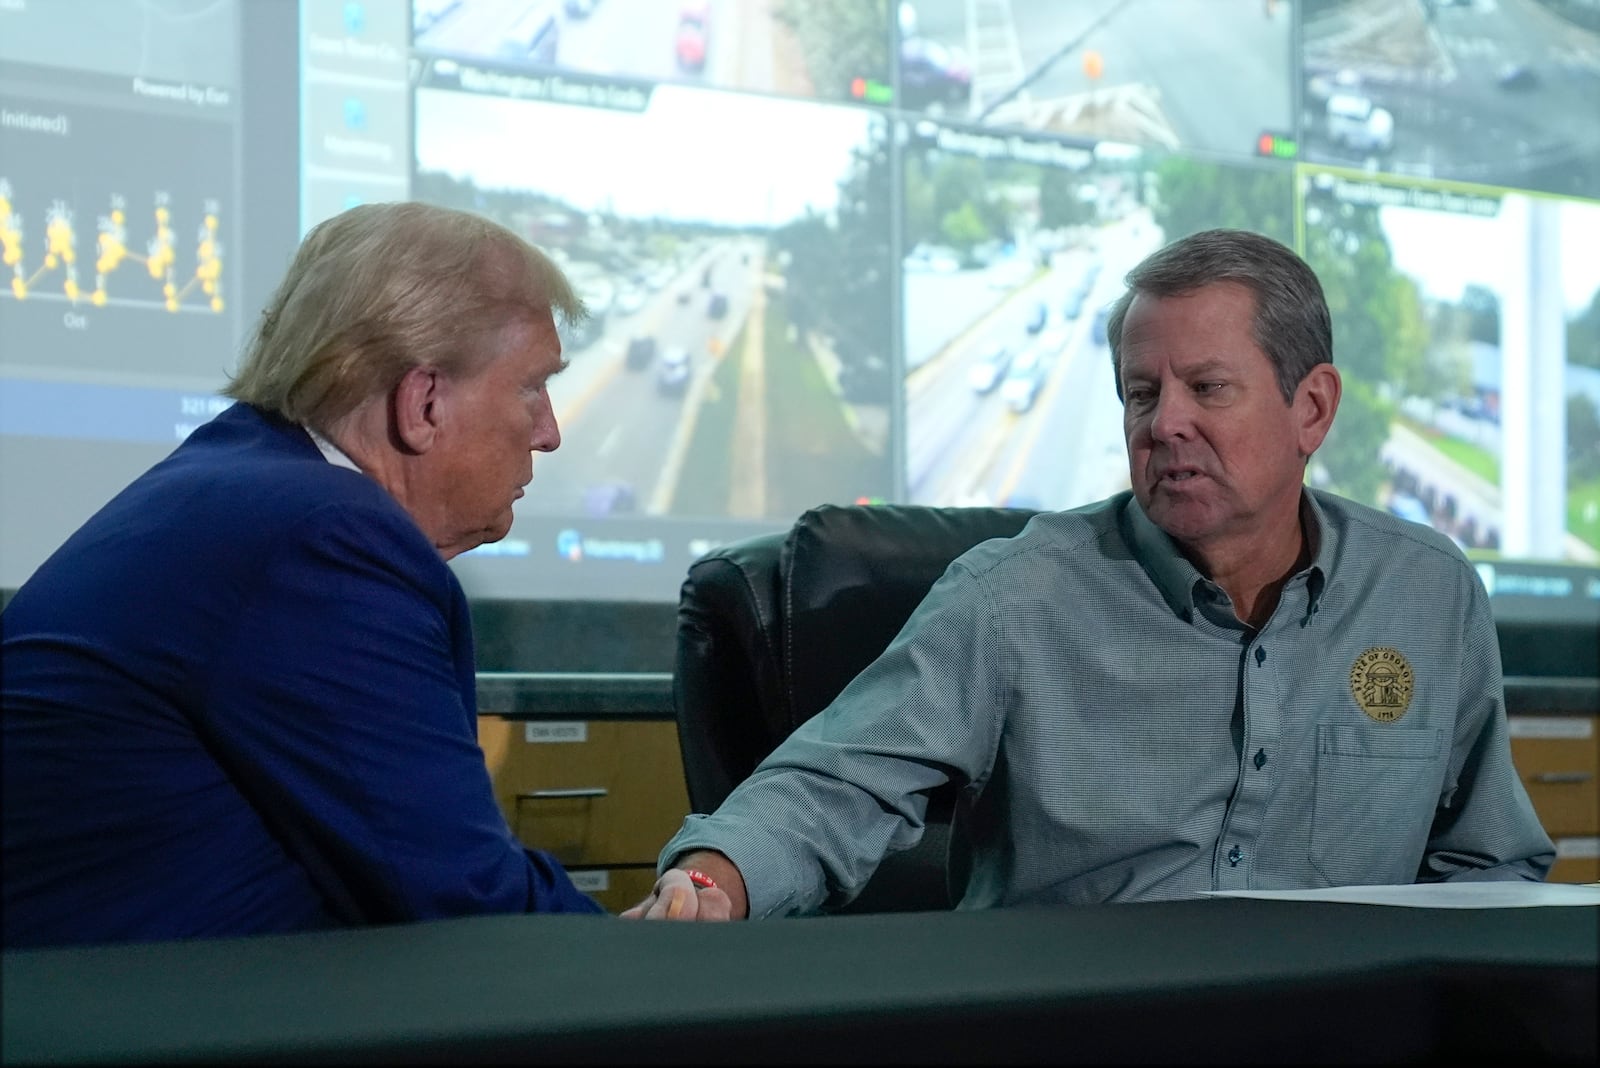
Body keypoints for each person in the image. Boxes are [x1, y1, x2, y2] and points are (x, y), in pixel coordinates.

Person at [624, 227, 1555, 923]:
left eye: (1208, 388)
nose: (1165, 424)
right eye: (1142, 394)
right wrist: (712, 883)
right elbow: (837, 784)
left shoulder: (1428, 594)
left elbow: (1489, 864)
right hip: (1079, 1030)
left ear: (1311, 408)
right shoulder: (1015, 595)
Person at [2, 201, 606, 948]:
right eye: (531, 387)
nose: (548, 432)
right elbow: (469, 911)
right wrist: (660, 970)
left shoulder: (247, 479)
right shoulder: (324, 540)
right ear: (421, 403)